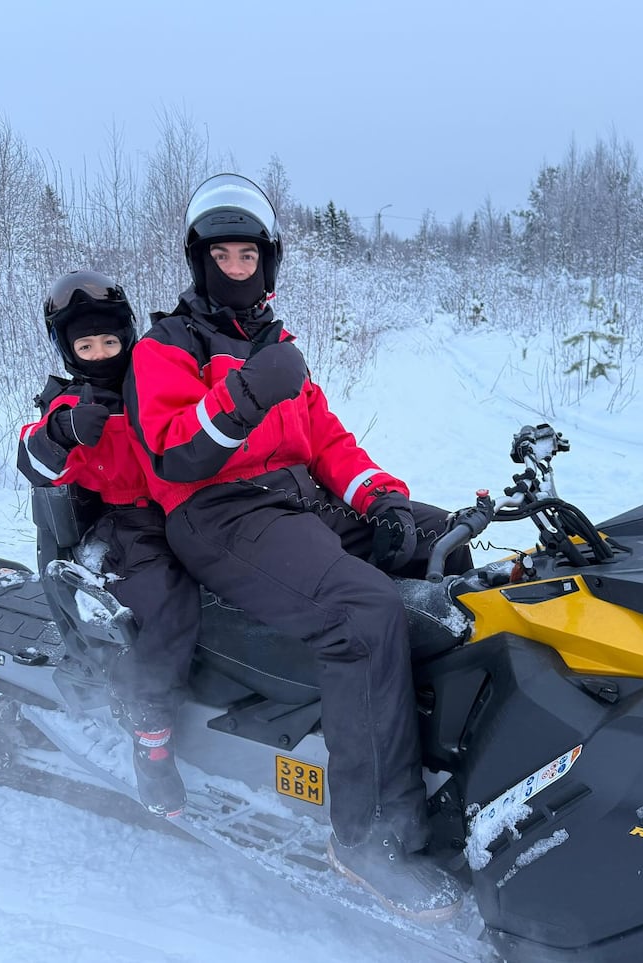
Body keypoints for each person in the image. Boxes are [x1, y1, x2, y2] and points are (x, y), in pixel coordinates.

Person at [124, 174, 472, 922]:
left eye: (247, 254)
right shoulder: (166, 347)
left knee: (444, 545)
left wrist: (383, 497)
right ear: (199, 260)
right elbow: (173, 450)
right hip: (216, 512)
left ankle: (447, 757)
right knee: (361, 610)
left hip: (290, 499)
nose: (235, 267)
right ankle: (371, 835)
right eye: (222, 254)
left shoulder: (276, 344)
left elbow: (328, 443)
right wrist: (245, 394)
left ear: (267, 262)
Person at [17, 270, 201, 819]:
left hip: (190, 506)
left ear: (128, 338)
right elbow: (32, 460)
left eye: (110, 342)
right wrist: (63, 432)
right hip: (127, 522)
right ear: (68, 350)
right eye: (85, 345)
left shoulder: (152, 381)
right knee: (169, 600)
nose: (100, 354)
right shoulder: (69, 404)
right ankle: (150, 729)